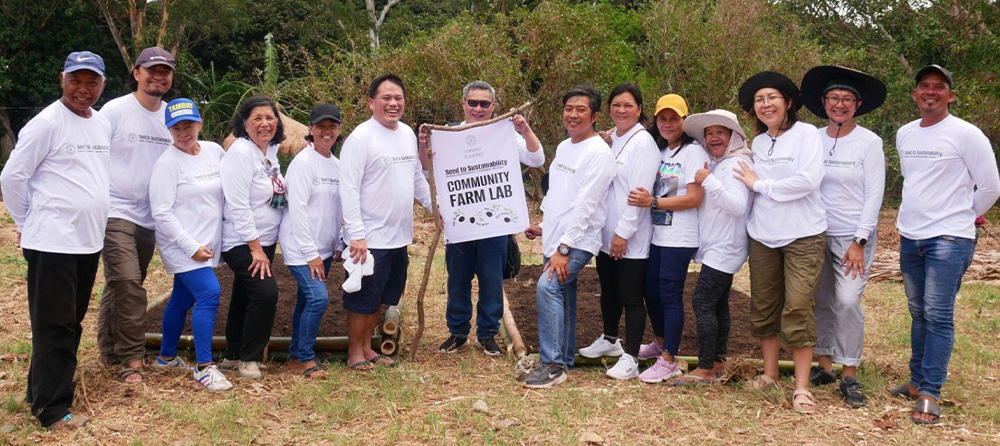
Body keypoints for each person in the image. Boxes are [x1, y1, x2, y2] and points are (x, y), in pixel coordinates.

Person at [0, 51, 110, 430]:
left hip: (86, 243)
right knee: (55, 326)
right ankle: (52, 410)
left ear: (102, 85)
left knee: (71, 322)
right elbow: (11, 178)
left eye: (91, 81)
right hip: (53, 244)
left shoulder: (99, 123)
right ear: (62, 80)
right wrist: (31, 221)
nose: (83, 89)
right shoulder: (46, 123)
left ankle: (40, 392)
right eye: (76, 80)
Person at [886, 64, 1000, 424]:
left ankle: (931, 392)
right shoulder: (905, 134)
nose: (930, 91)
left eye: (939, 87)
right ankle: (917, 382)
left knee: (938, 314)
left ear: (950, 95)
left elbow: (991, 187)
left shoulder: (967, 134)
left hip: (949, 238)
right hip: (911, 234)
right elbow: (915, 181)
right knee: (918, 311)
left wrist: (961, 217)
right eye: (923, 86)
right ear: (915, 95)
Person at [420, 81, 545, 356]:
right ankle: (458, 332)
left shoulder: (505, 134)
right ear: (463, 103)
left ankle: (487, 334)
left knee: (492, 282)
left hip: (495, 226)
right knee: (457, 281)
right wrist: (422, 146)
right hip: (460, 224)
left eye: (484, 104)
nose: (478, 108)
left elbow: (537, 159)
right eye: (473, 103)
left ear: (493, 106)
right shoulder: (447, 134)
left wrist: (523, 129)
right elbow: (429, 171)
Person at [733, 71, 827, 413]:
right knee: (764, 305)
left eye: (772, 97)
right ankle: (771, 373)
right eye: (759, 100)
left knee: (798, 305)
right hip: (763, 235)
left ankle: (801, 386)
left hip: (803, 233)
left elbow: (808, 180)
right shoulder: (757, 144)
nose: (765, 104)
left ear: (788, 102)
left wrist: (760, 185)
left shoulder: (807, 136)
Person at [800, 65, 887, 408]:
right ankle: (824, 364)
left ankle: (849, 371)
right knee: (820, 300)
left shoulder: (869, 142)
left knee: (847, 301)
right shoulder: (812, 138)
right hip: (816, 232)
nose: (840, 104)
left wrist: (860, 241)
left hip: (853, 235)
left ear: (857, 104)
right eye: (834, 98)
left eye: (847, 99)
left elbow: (874, 194)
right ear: (823, 102)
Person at [522, 85, 614, 389]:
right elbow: (558, 193)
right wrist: (545, 226)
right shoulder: (564, 147)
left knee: (547, 288)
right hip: (557, 236)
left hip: (577, 240)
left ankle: (552, 365)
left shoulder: (599, 153)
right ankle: (564, 359)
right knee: (563, 295)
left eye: (581, 110)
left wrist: (564, 247)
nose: (573, 115)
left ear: (595, 116)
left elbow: (587, 205)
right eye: (568, 109)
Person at [340, 74, 433, 371]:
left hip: (398, 236)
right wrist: (357, 234)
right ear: (371, 103)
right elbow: (349, 188)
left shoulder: (406, 133)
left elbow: (417, 177)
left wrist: (434, 207)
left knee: (382, 296)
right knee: (363, 297)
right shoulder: (360, 138)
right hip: (369, 237)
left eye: (398, 98)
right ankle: (355, 353)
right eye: (386, 98)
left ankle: (369, 348)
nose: (393, 104)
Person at [96, 46, 176, 383]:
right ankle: (131, 360)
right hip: (115, 210)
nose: (159, 76)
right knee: (128, 283)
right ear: (136, 72)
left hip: (151, 216)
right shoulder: (114, 111)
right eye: (152, 70)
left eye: (165, 71)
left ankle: (108, 350)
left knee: (123, 284)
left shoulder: (172, 114)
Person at [147, 98, 233, 391]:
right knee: (209, 293)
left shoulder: (213, 151)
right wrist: (190, 245)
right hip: (181, 244)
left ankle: (167, 357)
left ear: (200, 123)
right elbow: (161, 212)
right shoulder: (167, 164)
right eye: (177, 128)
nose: (184, 133)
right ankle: (204, 367)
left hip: (207, 243)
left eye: (189, 126)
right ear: (169, 130)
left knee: (182, 299)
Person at [577, 83, 659, 381]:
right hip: (605, 233)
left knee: (631, 295)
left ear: (639, 109)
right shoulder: (612, 139)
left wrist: (623, 233)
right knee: (608, 290)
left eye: (628, 105)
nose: (621, 110)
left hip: (629, 236)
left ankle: (632, 356)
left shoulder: (643, 143)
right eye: (616, 105)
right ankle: (610, 340)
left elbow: (640, 193)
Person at [625, 94, 708, 383]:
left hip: (680, 237)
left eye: (674, 118)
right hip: (659, 235)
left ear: (685, 121)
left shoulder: (693, 152)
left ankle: (670, 359)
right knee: (651, 291)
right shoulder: (662, 150)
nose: (668, 123)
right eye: (663, 118)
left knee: (670, 294)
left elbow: (695, 198)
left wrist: (653, 203)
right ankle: (661, 343)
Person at [670, 109, 752, 385]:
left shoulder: (736, 164)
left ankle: (705, 367)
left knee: (702, 302)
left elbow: (738, 206)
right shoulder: (721, 162)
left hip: (726, 245)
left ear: (734, 136)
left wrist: (710, 181)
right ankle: (718, 362)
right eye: (709, 133)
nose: (714, 137)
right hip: (719, 244)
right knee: (718, 306)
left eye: (721, 132)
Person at [219, 94, 287, 379]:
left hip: (265, 241)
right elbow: (237, 205)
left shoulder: (270, 152)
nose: (264, 123)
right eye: (256, 118)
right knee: (265, 294)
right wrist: (255, 248)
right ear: (244, 124)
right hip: (243, 241)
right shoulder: (240, 153)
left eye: (269, 118)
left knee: (243, 295)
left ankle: (232, 355)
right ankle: (250, 359)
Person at [278, 103, 347, 377]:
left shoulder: (338, 165)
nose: (327, 132)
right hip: (301, 248)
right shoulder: (303, 164)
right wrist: (310, 254)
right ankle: (305, 359)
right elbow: (298, 210)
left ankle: (295, 355)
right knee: (318, 299)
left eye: (332, 126)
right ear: (311, 129)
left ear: (339, 129)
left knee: (305, 302)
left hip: (325, 248)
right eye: (321, 127)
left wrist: (339, 243)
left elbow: (340, 207)